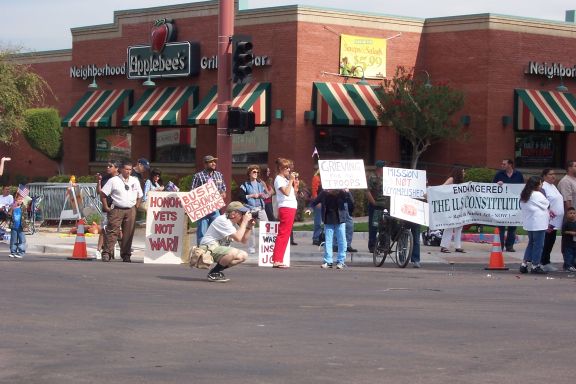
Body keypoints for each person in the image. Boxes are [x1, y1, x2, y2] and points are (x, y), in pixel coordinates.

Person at [100, 160, 143, 262]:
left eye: (130, 169)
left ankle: (126, 254)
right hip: (117, 209)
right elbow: (103, 194)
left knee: (128, 233)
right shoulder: (114, 180)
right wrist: (106, 207)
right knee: (112, 231)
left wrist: (136, 206)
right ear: (121, 169)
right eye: (126, 169)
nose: (128, 171)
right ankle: (107, 253)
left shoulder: (134, 180)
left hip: (130, 209)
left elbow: (140, 195)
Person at [200, 201, 254, 283]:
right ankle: (214, 273)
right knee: (233, 252)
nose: (243, 215)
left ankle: (215, 272)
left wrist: (249, 227)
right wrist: (244, 222)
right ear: (233, 214)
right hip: (208, 248)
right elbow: (238, 238)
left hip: (216, 248)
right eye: (241, 213)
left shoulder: (233, 223)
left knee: (243, 256)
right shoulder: (223, 220)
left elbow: (243, 241)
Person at [307, 189, 353, 269]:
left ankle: (341, 261)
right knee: (328, 241)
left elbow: (351, 202)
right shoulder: (324, 193)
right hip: (328, 219)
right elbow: (315, 201)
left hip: (340, 219)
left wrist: (347, 192)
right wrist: (310, 208)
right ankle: (328, 261)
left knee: (341, 240)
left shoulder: (342, 192)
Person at [191, 155, 227, 246]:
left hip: (215, 209)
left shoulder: (219, 175)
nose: (214, 163)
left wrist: (222, 193)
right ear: (205, 164)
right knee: (202, 232)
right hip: (203, 209)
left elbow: (223, 189)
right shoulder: (198, 176)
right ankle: (201, 252)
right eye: (211, 162)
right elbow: (192, 192)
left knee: (216, 230)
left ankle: (213, 251)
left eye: (214, 162)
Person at [271, 157, 298, 268]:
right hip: (285, 207)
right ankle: (277, 259)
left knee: (286, 234)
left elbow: (292, 194)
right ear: (280, 168)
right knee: (283, 234)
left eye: (289, 167)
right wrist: (291, 180)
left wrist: (295, 185)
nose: (288, 170)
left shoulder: (286, 180)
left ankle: (278, 259)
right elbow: (286, 193)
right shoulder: (279, 179)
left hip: (291, 207)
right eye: (286, 168)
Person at [519, 176, 549, 274]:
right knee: (538, 245)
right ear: (536, 185)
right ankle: (535, 265)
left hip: (530, 223)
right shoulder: (537, 194)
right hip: (539, 223)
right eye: (540, 183)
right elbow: (546, 204)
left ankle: (524, 264)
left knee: (531, 243)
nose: (541, 185)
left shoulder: (525, 194)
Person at [493, 159, 524, 252]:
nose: (502, 165)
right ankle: (500, 246)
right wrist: (497, 185)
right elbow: (492, 187)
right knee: (501, 226)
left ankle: (510, 246)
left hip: (514, 205)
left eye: (504, 164)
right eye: (502, 164)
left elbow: (522, 187)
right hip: (501, 204)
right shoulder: (499, 174)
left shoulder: (518, 175)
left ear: (510, 165)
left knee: (513, 226)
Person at [239, 164, 269, 254]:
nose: (256, 173)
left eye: (257, 172)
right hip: (250, 209)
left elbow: (266, 195)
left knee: (266, 227)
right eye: (254, 172)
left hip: (261, 209)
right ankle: (251, 247)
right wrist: (251, 196)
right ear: (249, 173)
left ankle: (267, 245)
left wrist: (264, 195)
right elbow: (240, 196)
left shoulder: (260, 184)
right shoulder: (245, 184)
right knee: (251, 228)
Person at [95, 160, 120, 259]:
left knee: (118, 230)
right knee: (104, 229)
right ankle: (99, 249)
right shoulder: (105, 178)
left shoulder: (120, 179)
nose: (108, 168)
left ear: (117, 168)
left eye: (111, 166)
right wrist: (99, 181)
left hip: (118, 208)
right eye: (107, 166)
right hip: (106, 207)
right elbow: (99, 192)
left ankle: (115, 249)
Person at [540, 168, 564, 272]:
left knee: (551, 241)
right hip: (548, 221)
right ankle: (542, 262)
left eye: (554, 174)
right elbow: (543, 202)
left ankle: (546, 261)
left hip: (555, 222)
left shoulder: (553, 186)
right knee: (546, 241)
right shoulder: (543, 187)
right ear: (544, 176)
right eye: (550, 174)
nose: (553, 176)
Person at [440, 167, 466, 253]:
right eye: (463, 172)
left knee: (459, 226)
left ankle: (457, 246)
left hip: (459, 207)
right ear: (458, 173)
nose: (464, 173)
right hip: (451, 206)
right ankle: (444, 246)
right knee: (450, 226)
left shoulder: (461, 183)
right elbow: (442, 187)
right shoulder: (452, 179)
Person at [366, 160, 389, 253]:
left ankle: (383, 245)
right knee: (374, 226)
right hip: (376, 206)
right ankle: (372, 245)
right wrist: (374, 203)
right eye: (384, 167)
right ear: (380, 168)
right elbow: (367, 191)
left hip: (386, 206)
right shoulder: (372, 177)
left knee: (385, 226)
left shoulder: (388, 178)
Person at [7, 193, 27, 258]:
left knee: (22, 240)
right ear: (16, 199)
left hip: (21, 226)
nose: (20, 200)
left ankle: (21, 253)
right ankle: (13, 252)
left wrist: (26, 226)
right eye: (19, 199)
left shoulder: (23, 207)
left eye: (21, 199)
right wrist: (11, 209)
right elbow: (8, 216)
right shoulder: (12, 207)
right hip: (14, 226)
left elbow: (26, 217)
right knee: (13, 240)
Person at [561, 207, 576, 272]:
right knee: (568, 255)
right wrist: (570, 232)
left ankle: (572, 265)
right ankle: (568, 266)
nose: (572, 214)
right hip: (567, 243)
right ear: (567, 215)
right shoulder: (566, 223)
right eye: (570, 213)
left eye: (574, 213)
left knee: (574, 255)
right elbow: (563, 232)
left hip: (574, 243)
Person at [310, 168, 323, 246]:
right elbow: (314, 191)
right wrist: (317, 201)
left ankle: (320, 237)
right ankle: (316, 238)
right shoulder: (316, 178)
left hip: (324, 202)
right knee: (318, 221)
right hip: (319, 202)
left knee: (322, 221)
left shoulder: (322, 178)